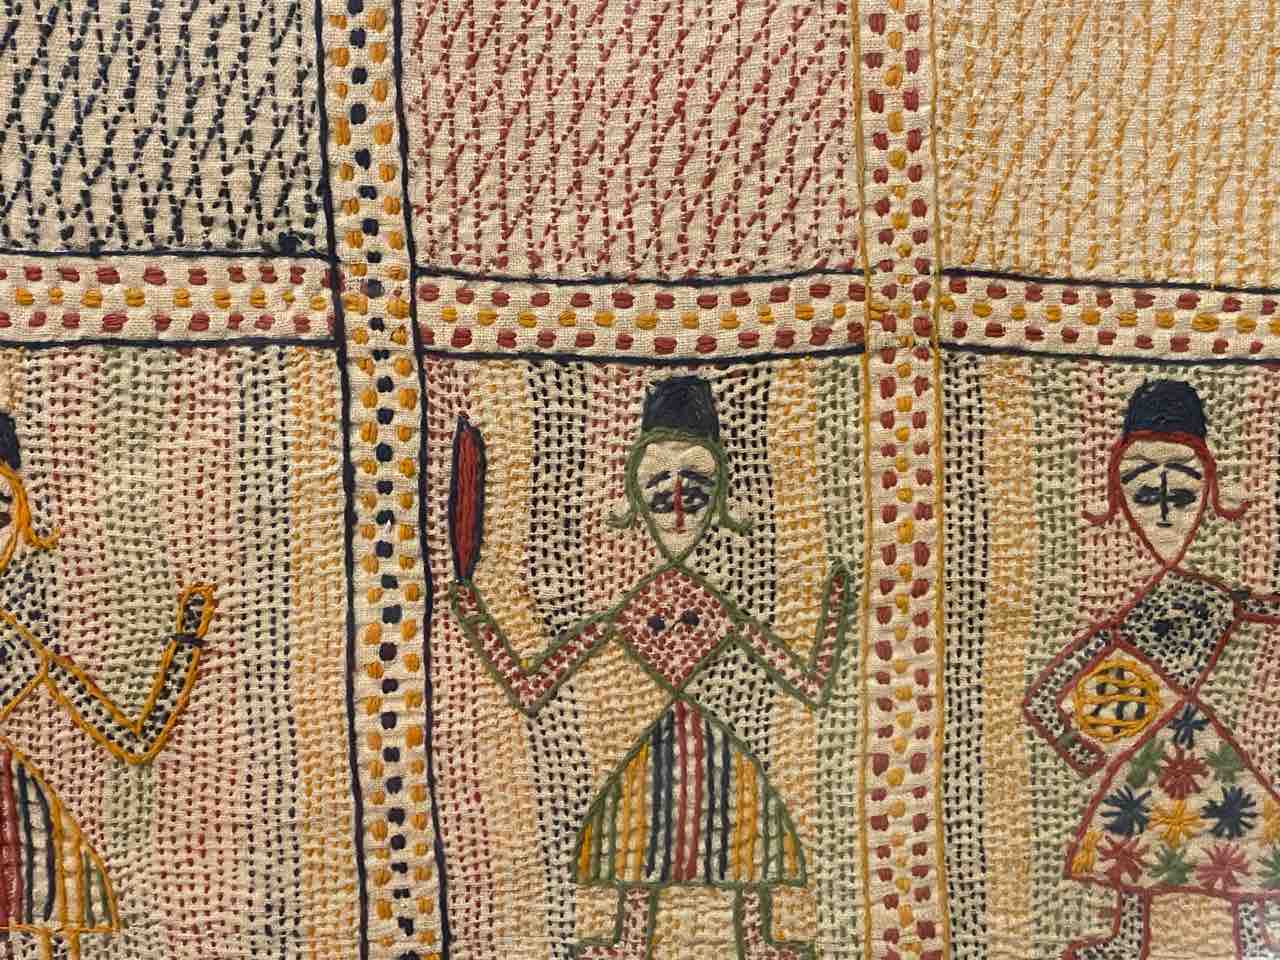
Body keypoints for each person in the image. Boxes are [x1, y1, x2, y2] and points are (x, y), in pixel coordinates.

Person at [448, 376, 854, 960]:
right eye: (661, 490)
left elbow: (808, 684)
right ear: (634, 495)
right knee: (641, 834)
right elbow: (532, 686)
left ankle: (755, 938)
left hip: (711, 747)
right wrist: (476, 613)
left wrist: (835, 616)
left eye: (697, 488)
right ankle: (630, 938)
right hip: (664, 745)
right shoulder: (633, 609)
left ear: (722, 498)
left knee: (740, 832)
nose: (681, 507)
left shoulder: (714, 607)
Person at [1023, 380, 1280, 960]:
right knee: (1131, 831)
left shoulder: (1214, 594)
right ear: (1117, 491)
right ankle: (1127, 936)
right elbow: (1055, 690)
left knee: (1241, 829)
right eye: (1143, 490)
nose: (1163, 510)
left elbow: (1258, 607)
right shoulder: (1137, 612)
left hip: (1196, 735)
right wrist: (1077, 745)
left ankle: (1257, 936)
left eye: (1181, 492)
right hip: (1153, 742)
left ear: (1211, 489)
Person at [0, 412, 215, 952]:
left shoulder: (22, 646)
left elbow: (135, 740)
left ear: (23, 522)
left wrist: (186, 642)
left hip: (20, 836)